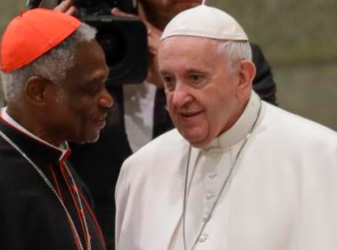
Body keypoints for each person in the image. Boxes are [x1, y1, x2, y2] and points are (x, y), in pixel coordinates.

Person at [115, 5, 337, 250]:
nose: (178, 98)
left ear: (242, 77)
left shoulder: (323, 156)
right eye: (168, 80)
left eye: (195, 78)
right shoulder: (140, 170)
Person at [68, 0, 277, 249]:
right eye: (170, 78)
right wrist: (48, 61)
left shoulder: (234, 62)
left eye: (197, 76)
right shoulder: (89, 56)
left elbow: (259, 149)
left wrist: (175, 78)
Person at [0, 8, 113, 250]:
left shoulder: (56, 157)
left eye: (105, 84)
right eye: (91, 89)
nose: (107, 101)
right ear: (39, 92)